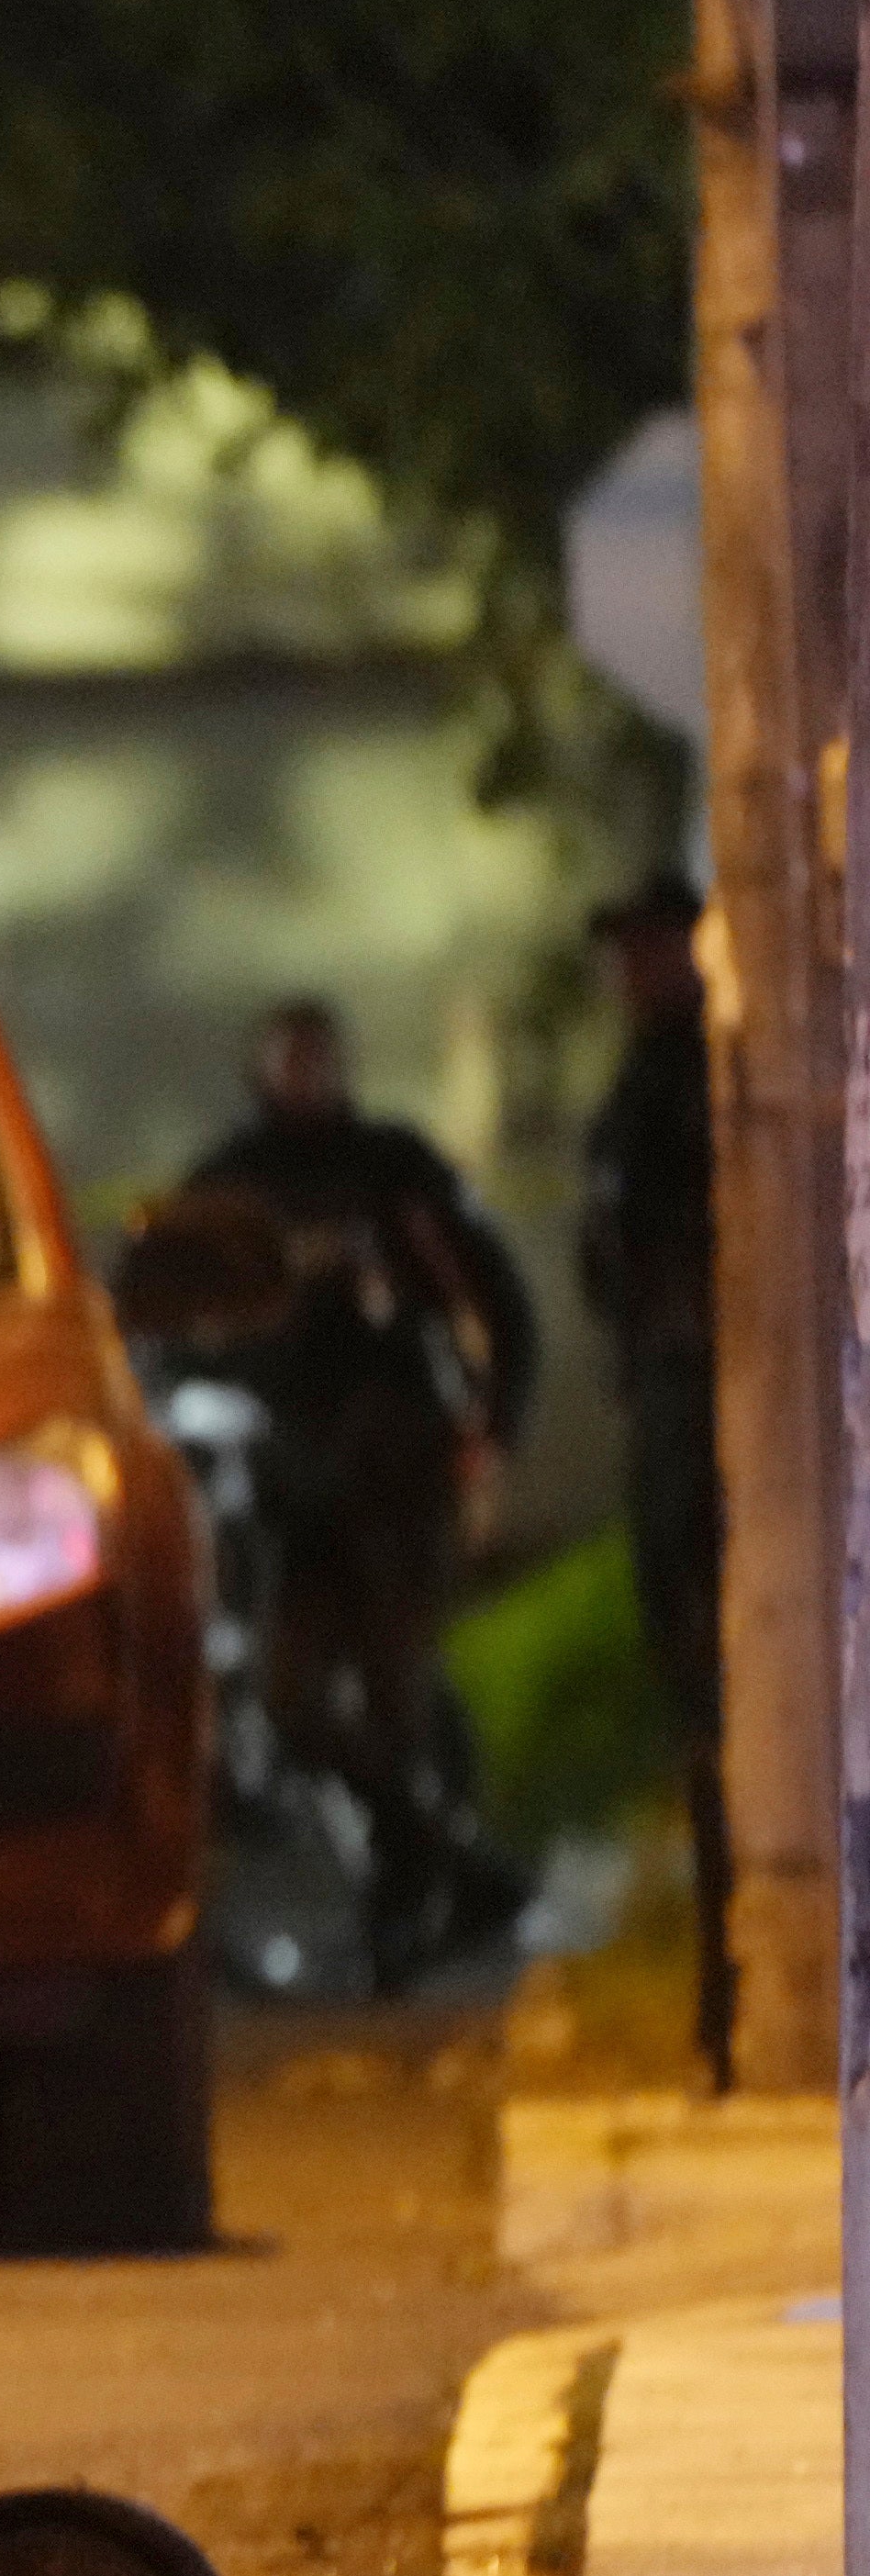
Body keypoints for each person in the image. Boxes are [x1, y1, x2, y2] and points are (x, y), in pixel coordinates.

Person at [156, 995, 544, 1989]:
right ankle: (439, 1861)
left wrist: (491, 1428)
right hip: (295, 1491)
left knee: (396, 1697)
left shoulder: (392, 1170)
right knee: (290, 1704)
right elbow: (162, 1303)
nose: (304, 1075)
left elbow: (495, 1294)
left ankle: (406, 1906)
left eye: (318, 1057)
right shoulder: (231, 1183)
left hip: (392, 1478)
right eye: (289, 1058)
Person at [573, 875, 723, 2078]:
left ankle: (734, 1985)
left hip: (717, 1403)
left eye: (650, 950)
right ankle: (722, 1987)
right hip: (670, 1401)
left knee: (724, 1702)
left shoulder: (713, 1072)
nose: (632, 974)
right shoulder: (636, 1084)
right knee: (697, 1707)